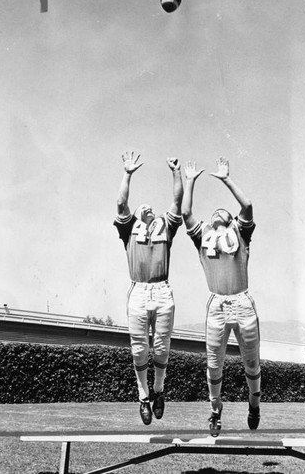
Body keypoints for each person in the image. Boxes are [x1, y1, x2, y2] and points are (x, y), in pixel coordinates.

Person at [182, 156, 261, 436]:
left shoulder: (240, 232)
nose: (217, 212)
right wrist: (190, 181)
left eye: (222, 211)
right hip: (216, 303)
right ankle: (215, 411)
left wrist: (226, 178)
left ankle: (254, 403)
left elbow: (248, 205)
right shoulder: (203, 235)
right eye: (214, 211)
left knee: (251, 362)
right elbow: (186, 213)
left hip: (242, 301)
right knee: (213, 364)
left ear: (229, 220)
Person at [114, 151, 183, 425]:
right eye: (141, 207)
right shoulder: (129, 228)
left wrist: (176, 172)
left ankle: (158, 390)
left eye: (149, 208)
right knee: (140, 349)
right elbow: (121, 202)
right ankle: (143, 396)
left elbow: (177, 202)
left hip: (162, 290)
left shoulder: (165, 226)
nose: (146, 208)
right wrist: (128, 173)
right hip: (139, 290)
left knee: (162, 347)